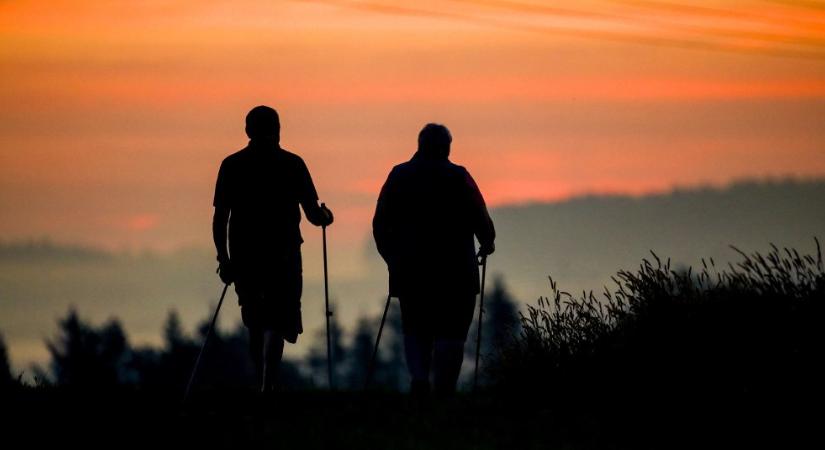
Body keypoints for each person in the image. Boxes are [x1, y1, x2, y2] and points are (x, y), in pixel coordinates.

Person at [212, 105, 333, 392]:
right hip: (284, 253)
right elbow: (314, 215)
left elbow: (220, 218)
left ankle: (259, 383)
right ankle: (269, 383)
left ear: (247, 131)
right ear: (277, 129)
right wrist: (327, 218)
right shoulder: (292, 164)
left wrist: (224, 257)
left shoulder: (232, 165)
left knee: (254, 318)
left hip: (245, 253)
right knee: (280, 317)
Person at [372, 123, 495, 395]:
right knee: (452, 332)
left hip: (411, 271)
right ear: (447, 147)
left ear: (420, 145)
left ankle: (419, 380)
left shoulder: (398, 176)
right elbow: (481, 218)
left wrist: (392, 259)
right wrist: (487, 241)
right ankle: (444, 390)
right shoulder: (460, 177)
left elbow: (380, 224)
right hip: (457, 272)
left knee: (416, 328)